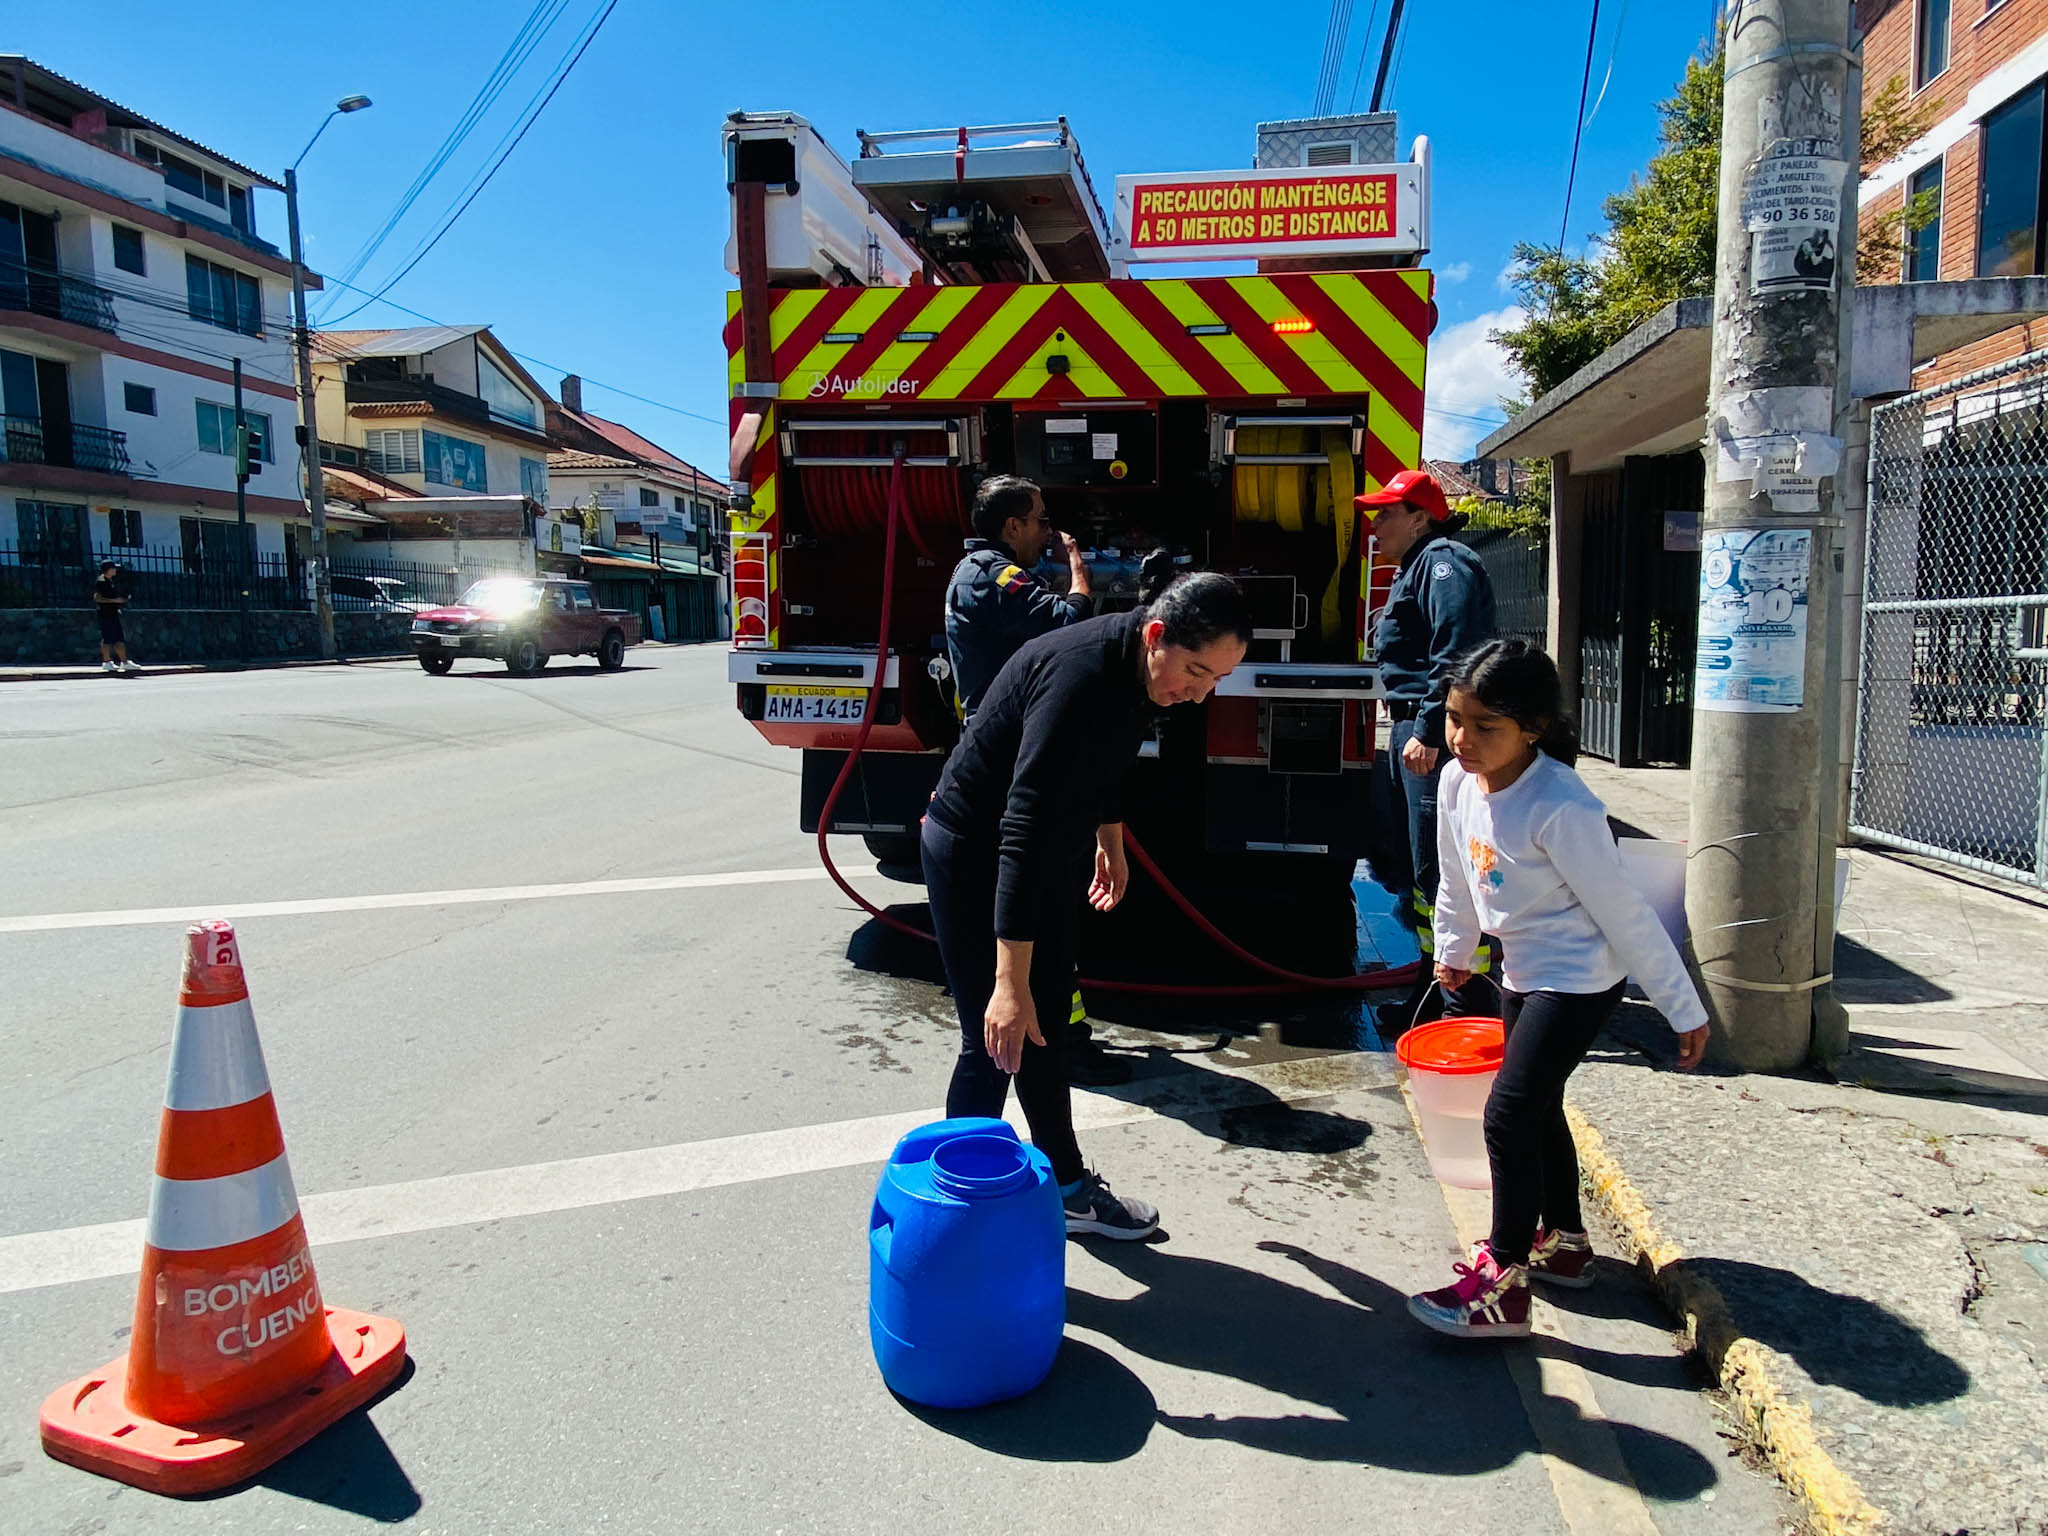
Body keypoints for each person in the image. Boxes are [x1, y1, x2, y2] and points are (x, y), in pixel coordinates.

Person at [922, 560, 1250, 1239]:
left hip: (1042, 849)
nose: (1200, 696)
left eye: (1217, 681)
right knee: (997, 1037)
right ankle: (956, 1218)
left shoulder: (1139, 672)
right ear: (1157, 633)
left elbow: (1106, 762)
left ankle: (1066, 1189)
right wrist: (1008, 984)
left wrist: (1110, 837)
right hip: (976, 849)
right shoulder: (1082, 675)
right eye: (1196, 673)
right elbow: (1023, 825)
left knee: (1046, 1032)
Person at [1407, 640, 1710, 1340]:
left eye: (1487, 726)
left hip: (1577, 978)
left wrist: (1681, 1007)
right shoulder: (1457, 781)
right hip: (1521, 964)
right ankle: (1566, 1244)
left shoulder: (1562, 805)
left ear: (1533, 728)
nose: (1464, 739)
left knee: (1508, 1114)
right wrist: (1454, 951)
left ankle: (1504, 1284)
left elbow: (1626, 913)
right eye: (1456, 718)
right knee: (1536, 1107)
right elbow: (1457, 876)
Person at [944, 476, 1126, 1087]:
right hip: (1010, 764)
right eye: (1041, 519)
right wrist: (1079, 573)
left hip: (1002, 754)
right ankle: (1055, 1034)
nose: (1047, 529)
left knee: (1051, 907)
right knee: (1039, 898)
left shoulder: (979, 573)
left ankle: (1060, 1030)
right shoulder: (994, 576)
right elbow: (1064, 619)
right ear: (1013, 526)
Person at [1357, 469, 1497, 1034]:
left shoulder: (1443, 563)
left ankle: (1466, 1004)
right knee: (1421, 872)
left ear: (1419, 516)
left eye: (1386, 513)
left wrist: (1430, 727)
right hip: (1415, 732)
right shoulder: (1417, 568)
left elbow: (1457, 649)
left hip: (1428, 737)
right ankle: (1433, 990)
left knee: (1442, 872)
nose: (1375, 524)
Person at [93, 561, 139, 675]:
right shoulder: (101, 582)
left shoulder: (109, 581)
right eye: (113, 568)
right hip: (105, 614)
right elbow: (97, 598)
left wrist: (117, 605)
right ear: (107, 569)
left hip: (112, 613)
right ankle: (107, 662)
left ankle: (124, 661)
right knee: (107, 638)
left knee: (118, 638)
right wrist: (115, 601)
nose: (115, 570)